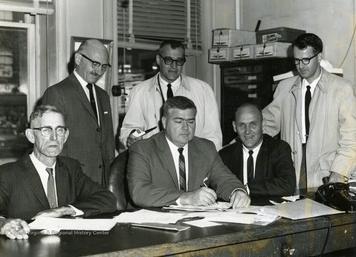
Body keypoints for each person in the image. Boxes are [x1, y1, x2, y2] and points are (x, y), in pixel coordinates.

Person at [0, 105, 116, 240]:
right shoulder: (7, 174)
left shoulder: (71, 168)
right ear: (31, 136)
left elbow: (108, 199)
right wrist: (1, 223)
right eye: (46, 130)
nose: (54, 137)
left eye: (60, 130)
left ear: (65, 136)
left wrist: (63, 210)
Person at [262, 33, 356, 189]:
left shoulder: (342, 89)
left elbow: (352, 137)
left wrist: (340, 172)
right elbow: (266, 125)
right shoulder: (284, 88)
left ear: (319, 57)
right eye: (297, 60)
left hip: (326, 173)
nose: (301, 66)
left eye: (306, 60)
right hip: (293, 171)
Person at [127, 96, 250, 208]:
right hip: (152, 224)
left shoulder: (206, 148)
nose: (186, 128)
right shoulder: (142, 149)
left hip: (195, 224)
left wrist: (237, 192)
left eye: (191, 121)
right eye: (179, 121)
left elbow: (225, 179)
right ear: (164, 122)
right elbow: (139, 192)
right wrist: (186, 198)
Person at [120, 40, 223, 150]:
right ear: (158, 60)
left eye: (179, 61)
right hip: (153, 161)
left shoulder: (203, 90)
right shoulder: (140, 91)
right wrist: (130, 138)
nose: (174, 66)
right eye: (168, 60)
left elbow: (213, 137)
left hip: (194, 161)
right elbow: (128, 129)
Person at [42, 39, 115, 187]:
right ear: (78, 58)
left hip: (102, 184)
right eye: (95, 64)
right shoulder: (57, 93)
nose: (99, 71)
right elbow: (51, 145)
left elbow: (107, 142)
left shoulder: (103, 96)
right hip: (73, 183)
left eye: (104, 66)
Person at [219, 103, 296, 197]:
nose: (247, 131)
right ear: (234, 127)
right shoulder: (225, 155)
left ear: (263, 124)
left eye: (253, 124)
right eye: (242, 125)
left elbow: (288, 185)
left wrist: (246, 189)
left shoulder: (278, 149)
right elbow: (217, 186)